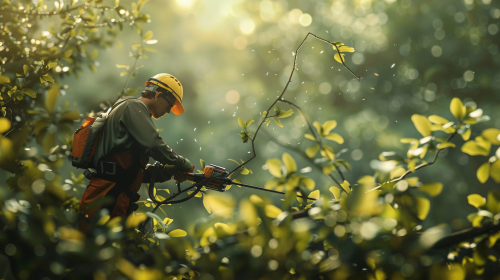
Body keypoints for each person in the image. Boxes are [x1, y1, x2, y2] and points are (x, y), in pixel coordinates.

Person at [78, 73, 193, 231]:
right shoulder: (133, 107)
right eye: (170, 105)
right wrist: (180, 161)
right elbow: (154, 144)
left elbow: (131, 171)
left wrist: (168, 171)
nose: (168, 111)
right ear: (158, 95)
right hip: (106, 196)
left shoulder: (133, 111)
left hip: (116, 196)